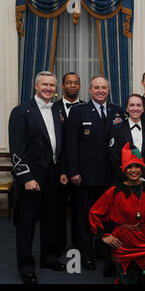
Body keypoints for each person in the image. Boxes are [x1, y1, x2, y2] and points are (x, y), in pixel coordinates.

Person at [8, 71, 67, 284]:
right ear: (36, 86)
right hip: (32, 176)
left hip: (52, 174)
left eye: (52, 85)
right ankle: (25, 266)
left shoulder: (58, 110)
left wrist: (62, 172)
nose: (49, 88)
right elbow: (16, 149)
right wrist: (26, 178)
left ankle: (48, 257)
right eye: (45, 85)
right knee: (27, 223)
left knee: (51, 220)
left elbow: (61, 145)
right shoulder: (21, 112)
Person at [65, 75, 125, 271]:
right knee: (83, 217)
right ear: (90, 90)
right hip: (85, 176)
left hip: (110, 176)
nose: (100, 91)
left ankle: (102, 249)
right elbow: (70, 144)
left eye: (104, 88)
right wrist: (73, 171)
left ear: (108, 90)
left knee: (107, 217)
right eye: (97, 87)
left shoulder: (117, 111)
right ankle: (85, 254)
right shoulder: (78, 111)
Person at [89, 143, 145, 284]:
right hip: (124, 244)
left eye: (137, 166)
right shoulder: (114, 192)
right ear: (124, 170)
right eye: (129, 167)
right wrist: (103, 236)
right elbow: (94, 213)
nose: (133, 170)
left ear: (142, 168)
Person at [54, 72, 86, 249]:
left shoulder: (87, 108)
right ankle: (58, 245)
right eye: (69, 82)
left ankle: (79, 244)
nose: (72, 85)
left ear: (80, 86)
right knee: (57, 210)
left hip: (78, 169)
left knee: (79, 211)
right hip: (57, 167)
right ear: (63, 86)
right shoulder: (53, 108)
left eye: (76, 83)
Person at [110, 94, 145, 183]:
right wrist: (127, 178)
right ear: (127, 108)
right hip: (123, 180)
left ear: (143, 108)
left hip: (144, 181)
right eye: (131, 105)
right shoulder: (117, 129)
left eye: (138, 105)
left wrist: (144, 177)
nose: (135, 108)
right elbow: (114, 156)